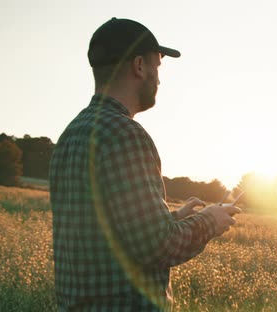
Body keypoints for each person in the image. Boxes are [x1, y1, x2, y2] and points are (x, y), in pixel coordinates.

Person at [49, 17, 240, 311]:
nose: (159, 79)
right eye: (157, 67)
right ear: (139, 66)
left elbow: (107, 233)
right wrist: (210, 221)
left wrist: (173, 218)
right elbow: (157, 246)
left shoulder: (71, 134)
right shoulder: (125, 134)